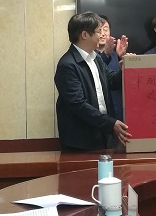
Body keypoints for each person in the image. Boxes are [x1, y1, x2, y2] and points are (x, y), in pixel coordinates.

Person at [55, 11, 131, 151]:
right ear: (84, 35)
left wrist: (126, 69)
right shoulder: (67, 64)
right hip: (80, 140)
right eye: (98, 31)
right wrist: (110, 123)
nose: (102, 35)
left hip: (102, 134)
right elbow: (78, 104)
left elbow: (112, 81)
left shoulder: (96, 58)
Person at [95, 15, 124, 122]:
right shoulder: (89, 56)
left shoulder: (115, 55)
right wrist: (105, 54)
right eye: (99, 30)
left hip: (119, 110)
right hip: (101, 115)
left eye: (105, 29)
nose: (103, 33)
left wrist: (122, 57)